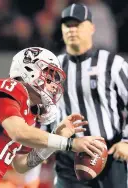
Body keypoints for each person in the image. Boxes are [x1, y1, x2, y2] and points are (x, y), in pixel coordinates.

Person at [0, 47, 105, 188]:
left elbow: (21, 164)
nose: (54, 85)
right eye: (49, 77)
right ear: (28, 70)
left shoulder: (31, 115)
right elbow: (19, 133)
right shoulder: (11, 87)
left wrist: (56, 141)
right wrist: (71, 143)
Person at [54, 3, 128, 188]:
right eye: (67, 25)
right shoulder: (53, 67)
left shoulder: (113, 64)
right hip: (68, 157)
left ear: (92, 27)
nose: (72, 29)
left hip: (109, 155)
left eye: (77, 24)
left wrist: (127, 141)